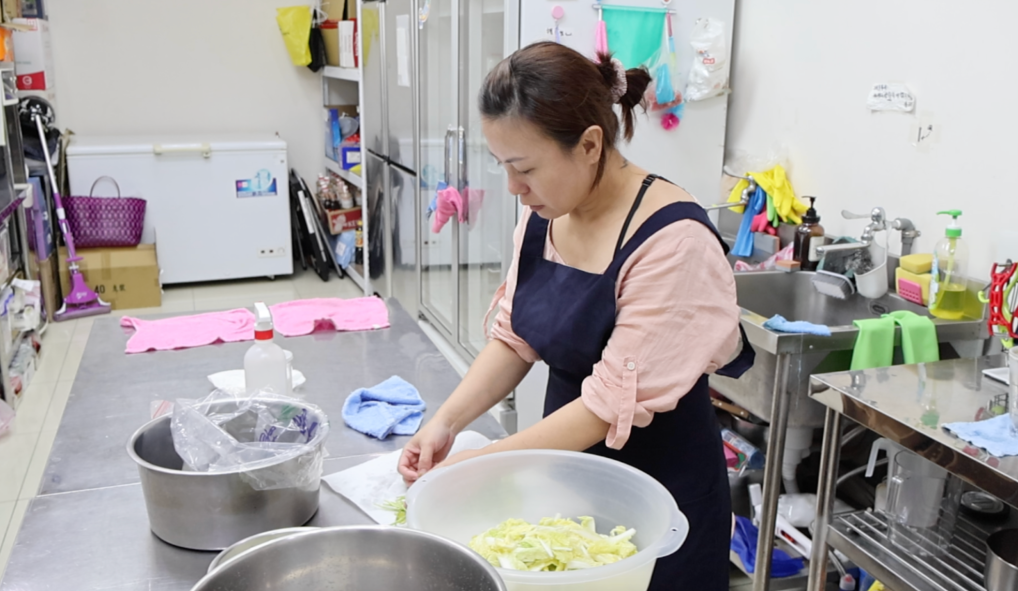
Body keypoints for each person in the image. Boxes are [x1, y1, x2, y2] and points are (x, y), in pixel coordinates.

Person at [398, 41, 754, 590]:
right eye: (503, 166)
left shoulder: (673, 241)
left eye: (524, 168)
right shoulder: (547, 211)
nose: (514, 189)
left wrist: (481, 465)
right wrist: (445, 422)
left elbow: (606, 405)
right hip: (567, 479)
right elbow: (515, 335)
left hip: (661, 499)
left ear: (589, 145)